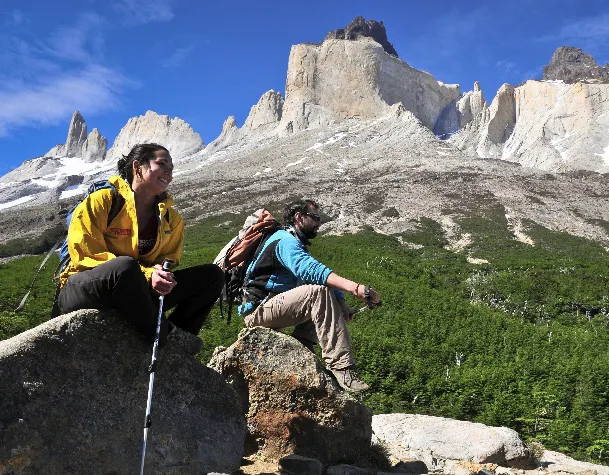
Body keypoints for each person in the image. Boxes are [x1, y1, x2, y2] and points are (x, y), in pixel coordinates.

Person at [56, 143, 223, 348]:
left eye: (171, 168)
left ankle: (180, 339)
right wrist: (146, 274)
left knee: (212, 276)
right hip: (83, 287)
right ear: (138, 167)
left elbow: (169, 260)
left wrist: (161, 276)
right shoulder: (103, 200)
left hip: (135, 292)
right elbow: (85, 255)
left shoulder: (171, 218)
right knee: (125, 267)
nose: (168, 172)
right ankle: (162, 334)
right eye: (162, 164)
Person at [240, 199, 381, 391]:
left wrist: (342, 305)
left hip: (271, 307)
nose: (318, 222)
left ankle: (302, 350)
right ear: (299, 217)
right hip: (258, 311)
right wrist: (354, 288)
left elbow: (318, 276)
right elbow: (308, 269)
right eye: (315, 217)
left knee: (321, 289)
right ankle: (342, 367)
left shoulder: (293, 241)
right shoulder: (284, 240)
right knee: (318, 293)